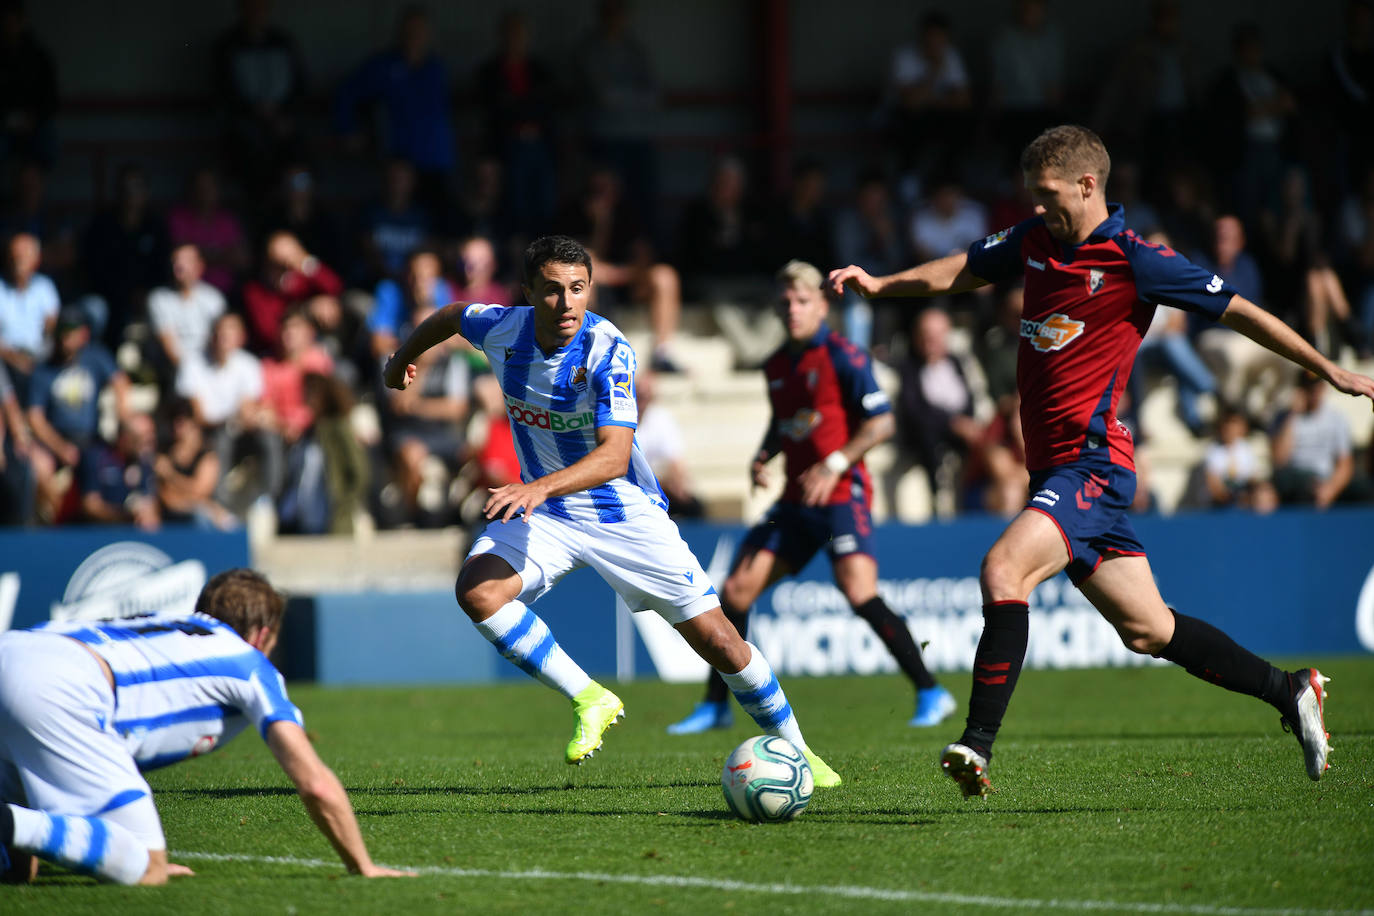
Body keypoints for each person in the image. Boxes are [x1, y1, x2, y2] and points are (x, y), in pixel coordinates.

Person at [829, 125, 1374, 797]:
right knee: (1149, 630)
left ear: (1088, 185)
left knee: (1003, 569)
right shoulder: (1033, 241)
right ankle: (1290, 691)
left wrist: (1326, 368)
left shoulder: (1135, 259)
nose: (1038, 207)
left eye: (1048, 193)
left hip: (1092, 466)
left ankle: (975, 746)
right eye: (1032, 194)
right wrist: (883, 287)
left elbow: (1239, 312)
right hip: (1054, 471)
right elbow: (963, 268)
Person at [383, 235, 841, 786]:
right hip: (550, 513)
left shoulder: (608, 349)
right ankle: (589, 698)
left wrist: (538, 488)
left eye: (578, 289)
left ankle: (801, 752)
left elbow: (615, 455)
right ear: (528, 293)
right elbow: (454, 315)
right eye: (552, 290)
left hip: (620, 513)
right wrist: (403, 358)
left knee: (720, 641)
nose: (567, 302)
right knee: (478, 591)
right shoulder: (502, 327)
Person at [667, 260, 954, 735]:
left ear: (822, 305)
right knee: (736, 592)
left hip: (842, 493)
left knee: (860, 592)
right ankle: (716, 704)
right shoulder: (778, 364)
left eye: (803, 301)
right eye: (786, 303)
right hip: (796, 500)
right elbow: (786, 424)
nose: (793, 310)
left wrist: (836, 463)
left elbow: (881, 423)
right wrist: (764, 455)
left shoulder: (846, 357)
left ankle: (930, 690)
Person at [0, 567, 414, 884]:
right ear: (263, 635)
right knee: (149, 868)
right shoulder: (248, 662)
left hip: (18, 648)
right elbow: (315, 783)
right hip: (65, 687)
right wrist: (363, 865)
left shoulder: (158, 624)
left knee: (21, 871)